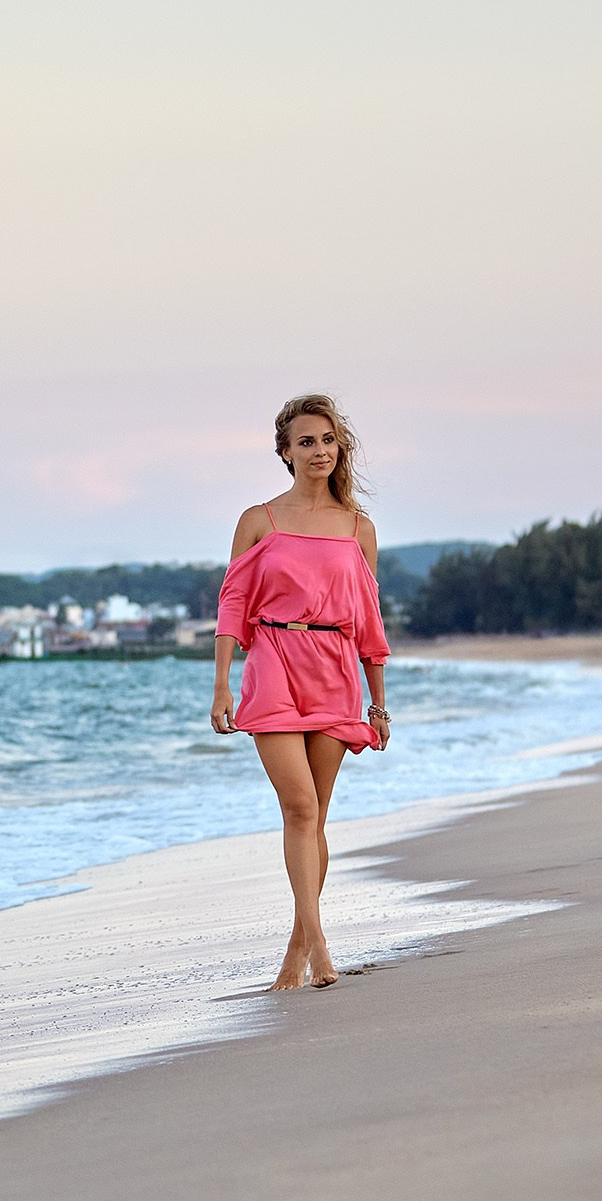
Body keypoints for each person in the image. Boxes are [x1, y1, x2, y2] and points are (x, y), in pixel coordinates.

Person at [209, 393, 393, 991]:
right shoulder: (259, 519)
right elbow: (233, 605)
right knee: (300, 808)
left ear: (340, 448)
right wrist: (220, 687)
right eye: (306, 442)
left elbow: (369, 617)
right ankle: (319, 944)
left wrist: (378, 700)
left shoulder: (358, 528)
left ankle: (295, 951)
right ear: (285, 453)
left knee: (317, 819)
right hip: (273, 662)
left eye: (328, 440)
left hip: (335, 668)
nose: (320, 451)